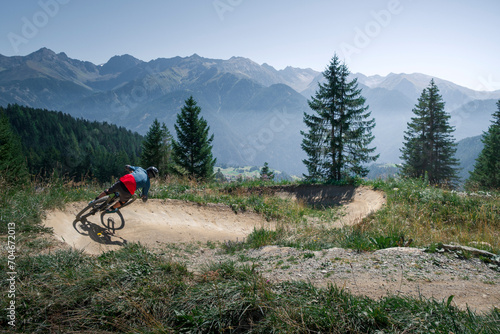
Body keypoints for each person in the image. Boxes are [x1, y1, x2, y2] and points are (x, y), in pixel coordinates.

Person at [93, 165, 159, 213]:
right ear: (152, 176)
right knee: (122, 201)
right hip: (128, 190)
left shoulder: (140, 169)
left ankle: (95, 201)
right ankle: (110, 209)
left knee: (109, 191)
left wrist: (128, 168)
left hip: (122, 181)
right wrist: (143, 197)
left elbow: (128, 166)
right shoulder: (147, 183)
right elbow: (144, 195)